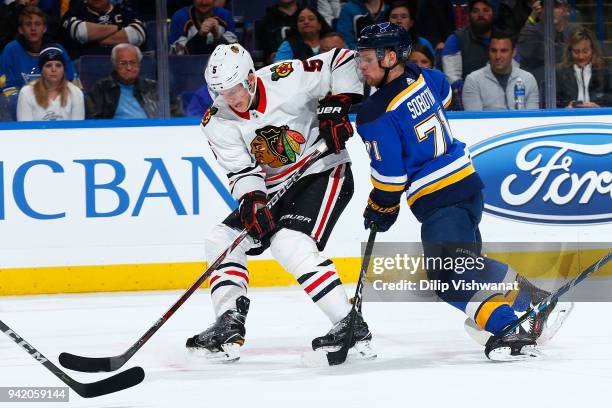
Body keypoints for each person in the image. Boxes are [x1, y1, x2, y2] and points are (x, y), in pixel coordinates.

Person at [354, 22, 570, 360]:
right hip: (467, 186)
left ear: (390, 57)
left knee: (448, 275)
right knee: (463, 270)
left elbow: (391, 177)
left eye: (367, 58)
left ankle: (519, 315)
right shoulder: (423, 76)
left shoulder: (373, 113)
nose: (360, 66)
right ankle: (523, 309)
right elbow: (445, 93)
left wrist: (379, 207)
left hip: (440, 198)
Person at [186, 43, 375, 362]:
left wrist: (338, 104)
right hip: (275, 187)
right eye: (220, 91)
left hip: (323, 170)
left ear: (249, 77)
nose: (229, 99)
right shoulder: (216, 120)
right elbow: (241, 169)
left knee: (288, 242)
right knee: (222, 238)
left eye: (234, 89)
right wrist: (252, 200)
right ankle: (229, 322)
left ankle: (350, 325)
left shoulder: (286, 78)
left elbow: (342, 60)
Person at [85, 43, 181, 119]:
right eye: (123, 63)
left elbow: (177, 116)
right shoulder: (101, 89)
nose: (129, 67)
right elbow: (92, 122)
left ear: (139, 64)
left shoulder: (153, 88)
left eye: (133, 62)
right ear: (114, 65)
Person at [0, 6, 77, 95]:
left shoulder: (57, 50)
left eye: (37, 24)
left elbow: (72, 81)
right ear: (20, 29)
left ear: (44, 28)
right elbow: (4, 85)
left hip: (55, 104)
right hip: (21, 105)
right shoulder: (11, 50)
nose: (33, 28)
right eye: (28, 24)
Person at [462, 30, 539, 110]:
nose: (498, 56)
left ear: (513, 53)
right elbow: (474, 120)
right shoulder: (473, 81)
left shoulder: (528, 80)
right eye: (493, 51)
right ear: (488, 52)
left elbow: (532, 119)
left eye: (503, 51)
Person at [442, 0, 497, 103]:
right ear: (469, 14)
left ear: (493, 14)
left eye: (485, 10)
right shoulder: (455, 40)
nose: (481, 15)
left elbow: (514, 73)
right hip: (466, 103)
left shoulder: (503, 39)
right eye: (475, 11)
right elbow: (453, 81)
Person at [60, 0, 146, 59]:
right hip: (86, 69)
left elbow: (137, 35)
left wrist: (91, 37)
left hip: (123, 64)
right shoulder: (75, 13)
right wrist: (118, 28)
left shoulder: (124, 12)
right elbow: (80, 32)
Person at [16, 45, 84, 120]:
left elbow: (77, 129)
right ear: (41, 70)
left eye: (58, 65)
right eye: (48, 66)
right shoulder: (26, 92)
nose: (54, 69)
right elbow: (25, 129)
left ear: (63, 70)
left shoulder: (76, 93)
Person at [518, 0, 571, 91]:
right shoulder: (529, 32)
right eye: (547, 6)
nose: (550, 10)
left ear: (565, 9)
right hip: (536, 89)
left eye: (556, 6)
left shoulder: (573, 31)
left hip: (566, 90)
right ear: (542, 9)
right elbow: (548, 54)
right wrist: (570, 51)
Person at [556, 26, 611, 108]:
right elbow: (553, 103)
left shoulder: (605, 72)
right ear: (570, 51)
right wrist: (565, 109)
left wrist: (599, 108)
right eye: (576, 52)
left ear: (593, 50)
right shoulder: (559, 72)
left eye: (585, 51)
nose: (581, 57)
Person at [169, 0, 236, 55]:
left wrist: (217, 36)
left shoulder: (225, 16)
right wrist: (200, 36)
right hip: (189, 69)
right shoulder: (180, 18)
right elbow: (175, 57)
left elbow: (235, 52)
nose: (204, 2)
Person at [255, 0, 300, 65]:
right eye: (301, 20)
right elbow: (263, 52)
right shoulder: (265, 21)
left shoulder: (308, 17)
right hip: (276, 67)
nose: (306, 21)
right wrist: (270, 58)